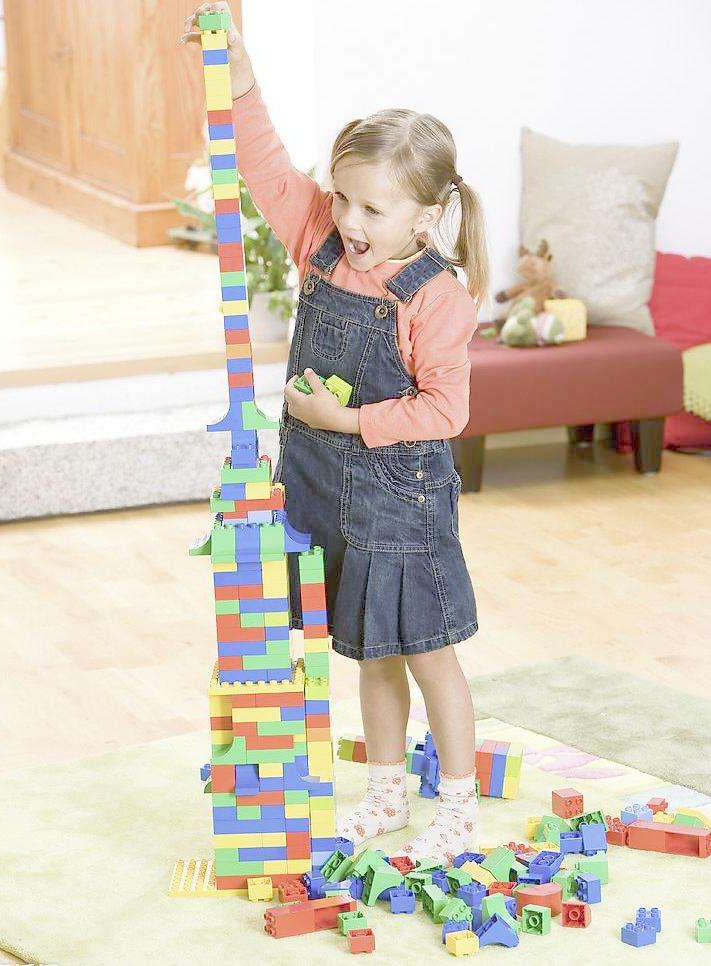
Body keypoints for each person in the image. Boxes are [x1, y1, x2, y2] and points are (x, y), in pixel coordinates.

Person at [182, 2, 489, 863]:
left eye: (373, 209)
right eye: (343, 196)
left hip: (399, 508)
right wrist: (240, 81)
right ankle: (385, 793)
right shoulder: (318, 238)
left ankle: (457, 807)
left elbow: (446, 412)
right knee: (368, 654)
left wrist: (344, 419)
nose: (350, 221)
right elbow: (264, 165)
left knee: (426, 654)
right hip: (319, 492)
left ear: (425, 217)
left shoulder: (435, 297)